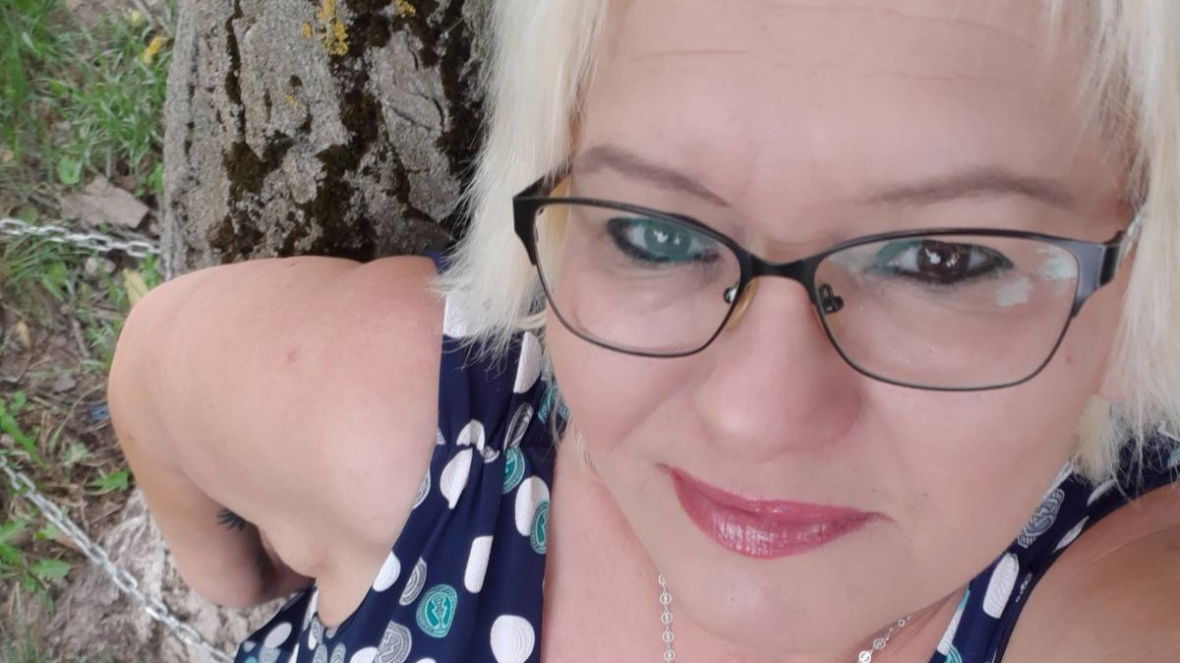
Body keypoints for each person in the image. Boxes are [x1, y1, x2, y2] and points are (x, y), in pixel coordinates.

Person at [107, 0, 1180, 661]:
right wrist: (230, 590)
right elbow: (155, 369)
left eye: (943, 261)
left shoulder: (1120, 607)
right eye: (657, 234)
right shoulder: (405, 424)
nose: (756, 416)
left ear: (1142, 284)